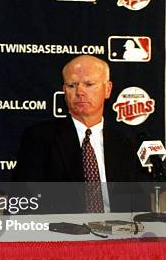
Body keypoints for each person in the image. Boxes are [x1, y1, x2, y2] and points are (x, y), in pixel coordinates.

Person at [12, 55, 146, 212]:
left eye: (89, 84)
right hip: (63, 231)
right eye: (72, 85)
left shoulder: (123, 143)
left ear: (107, 89)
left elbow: (139, 204)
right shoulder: (39, 138)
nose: (80, 92)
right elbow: (23, 199)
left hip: (117, 231)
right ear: (64, 91)